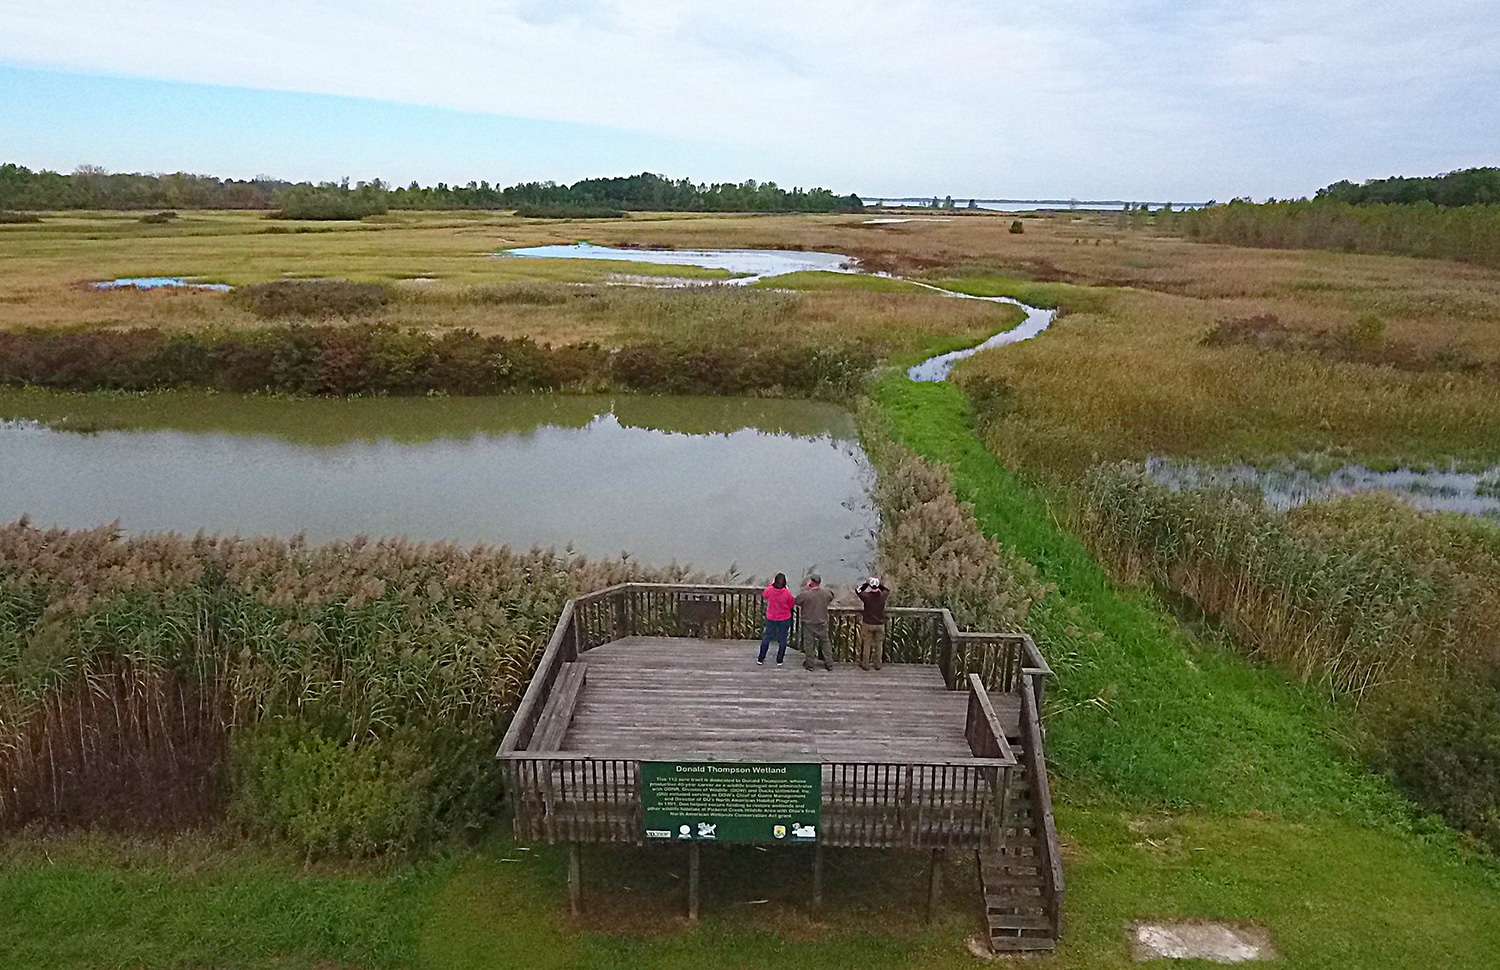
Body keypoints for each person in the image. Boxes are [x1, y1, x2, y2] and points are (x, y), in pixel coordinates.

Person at [795, 573, 835, 671]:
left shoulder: (806, 595)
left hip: (809, 622)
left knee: (809, 643)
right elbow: (831, 596)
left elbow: (797, 601)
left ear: (811, 582)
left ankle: (810, 664)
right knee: (825, 642)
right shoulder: (826, 593)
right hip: (822, 621)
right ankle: (829, 663)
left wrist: (805, 589)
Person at [758, 573, 795, 666]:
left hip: (771, 617)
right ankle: (779, 660)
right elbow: (791, 604)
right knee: (782, 639)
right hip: (784, 618)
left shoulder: (770, 590)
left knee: (767, 637)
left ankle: (761, 658)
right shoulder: (787, 593)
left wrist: (771, 585)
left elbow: (764, 595)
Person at [855, 575, 890, 670]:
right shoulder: (883, 596)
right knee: (879, 645)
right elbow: (887, 590)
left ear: (870, 586)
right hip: (880, 624)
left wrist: (866, 583)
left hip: (868, 623)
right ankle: (878, 665)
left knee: (867, 644)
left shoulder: (866, 596)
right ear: (878, 586)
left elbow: (858, 590)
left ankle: (865, 664)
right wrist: (879, 584)